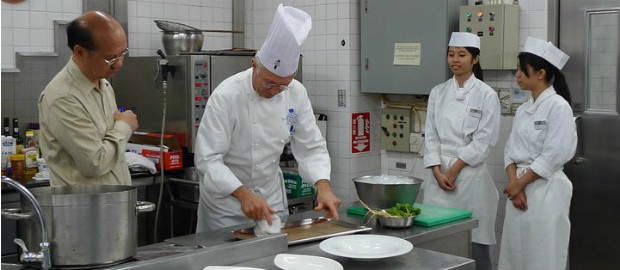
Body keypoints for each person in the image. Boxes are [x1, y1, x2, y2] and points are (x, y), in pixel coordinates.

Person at [194, 4, 341, 232]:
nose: (275, 91)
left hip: (270, 200)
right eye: (269, 83)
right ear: (254, 65)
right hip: (226, 205)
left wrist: (323, 186)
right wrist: (243, 194)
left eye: (282, 86)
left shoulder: (296, 92)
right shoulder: (227, 95)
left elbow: (311, 147)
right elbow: (208, 160)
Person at [423, 32, 500, 270]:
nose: (455, 60)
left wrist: (454, 170)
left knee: (472, 241)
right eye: (451, 54)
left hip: (469, 178)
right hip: (438, 178)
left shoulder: (487, 94)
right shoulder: (438, 91)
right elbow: (431, 133)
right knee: (435, 239)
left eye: (462, 55)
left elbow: (484, 141)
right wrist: (437, 170)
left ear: (475, 59)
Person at [498, 37, 576, 270]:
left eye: (522, 70)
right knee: (516, 253)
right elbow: (509, 150)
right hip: (520, 190)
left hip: (546, 189)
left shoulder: (558, 106)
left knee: (542, 253)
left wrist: (519, 184)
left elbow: (554, 154)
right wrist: (515, 184)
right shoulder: (524, 109)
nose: (518, 74)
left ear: (540, 73)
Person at [38, 11, 138, 186]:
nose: (119, 64)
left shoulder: (104, 85)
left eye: (122, 54)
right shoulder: (63, 97)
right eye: (110, 58)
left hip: (113, 204)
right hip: (85, 209)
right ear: (80, 52)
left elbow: (110, 152)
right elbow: (95, 163)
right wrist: (124, 126)